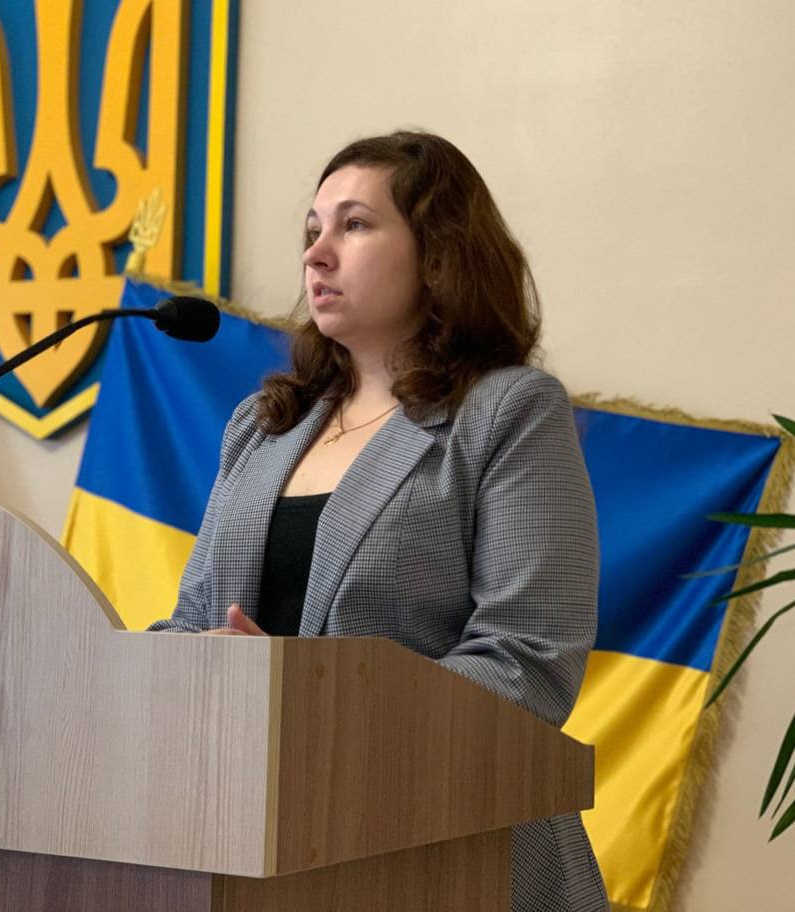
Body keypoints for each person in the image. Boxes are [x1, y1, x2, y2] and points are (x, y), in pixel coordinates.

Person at [149, 130, 608, 912]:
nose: (316, 254)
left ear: (440, 254)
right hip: (256, 852)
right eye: (312, 230)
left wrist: (308, 698)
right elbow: (196, 622)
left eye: (354, 225)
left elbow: (529, 664)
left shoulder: (506, 413)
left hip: (452, 856)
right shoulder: (261, 427)